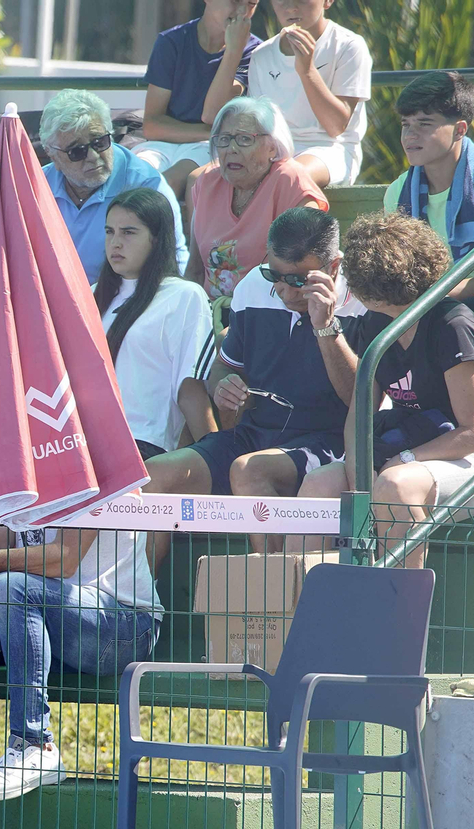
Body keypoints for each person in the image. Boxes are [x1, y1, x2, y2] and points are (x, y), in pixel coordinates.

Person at [0, 519, 162, 802]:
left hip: (126, 628)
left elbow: (64, 559)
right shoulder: (20, 478)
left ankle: (35, 745)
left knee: (12, 586)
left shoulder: (86, 473)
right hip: (57, 623)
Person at [144, 206, 360, 502]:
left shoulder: (364, 297)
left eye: (298, 280)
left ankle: (271, 553)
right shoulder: (254, 286)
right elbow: (224, 366)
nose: (284, 290)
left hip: (330, 442)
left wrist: (325, 326)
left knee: (250, 470)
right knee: (153, 476)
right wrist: (224, 387)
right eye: (274, 274)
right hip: (255, 435)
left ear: (333, 267)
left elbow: (362, 400)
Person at [299, 213, 474, 568]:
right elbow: (359, 413)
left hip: (457, 455)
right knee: (318, 486)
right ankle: (304, 611)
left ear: (371, 288)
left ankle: (399, 618)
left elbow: (470, 432)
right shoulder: (376, 322)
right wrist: (356, 471)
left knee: (395, 486)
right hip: (407, 446)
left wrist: (408, 459)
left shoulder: (452, 325)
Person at [96, 188, 212, 458]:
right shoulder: (90, 295)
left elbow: (189, 389)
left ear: (157, 238)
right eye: (109, 231)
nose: (115, 242)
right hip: (80, 443)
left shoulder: (184, 296)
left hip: (142, 445)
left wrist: (214, 456)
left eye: (128, 232)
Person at [187, 96, 327, 302]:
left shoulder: (290, 181)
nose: (231, 149)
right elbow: (195, 270)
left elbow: (305, 274)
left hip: (267, 311)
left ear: (272, 146)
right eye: (224, 139)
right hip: (211, 313)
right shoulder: (207, 183)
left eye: (245, 139)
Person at [39, 90, 186, 283]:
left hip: (122, 302)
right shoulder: (36, 185)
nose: (93, 156)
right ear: (53, 156)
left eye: (99, 142)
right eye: (77, 151)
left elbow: (169, 267)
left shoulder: (146, 186)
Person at [132, 0, 261, 196]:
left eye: (251, 3)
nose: (243, 11)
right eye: (234, 1)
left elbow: (212, 114)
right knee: (133, 178)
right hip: (167, 143)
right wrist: (212, 133)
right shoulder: (171, 42)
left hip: (211, 148)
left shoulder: (253, 51)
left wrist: (233, 51)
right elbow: (152, 126)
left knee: (170, 182)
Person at [240, 0, 372, 188]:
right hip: (274, 151)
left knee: (287, 177)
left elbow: (336, 127)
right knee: (209, 177)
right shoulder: (261, 55)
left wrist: (307, 71)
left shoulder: (349, 46)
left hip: (331, 149)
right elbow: (260, 126)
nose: (291, 7)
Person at [386, 71, 474, 262]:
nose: (410, 135)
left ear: (459, 130)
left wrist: (448, 291)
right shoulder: (398, 193)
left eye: (424, 124)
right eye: (405, 124)